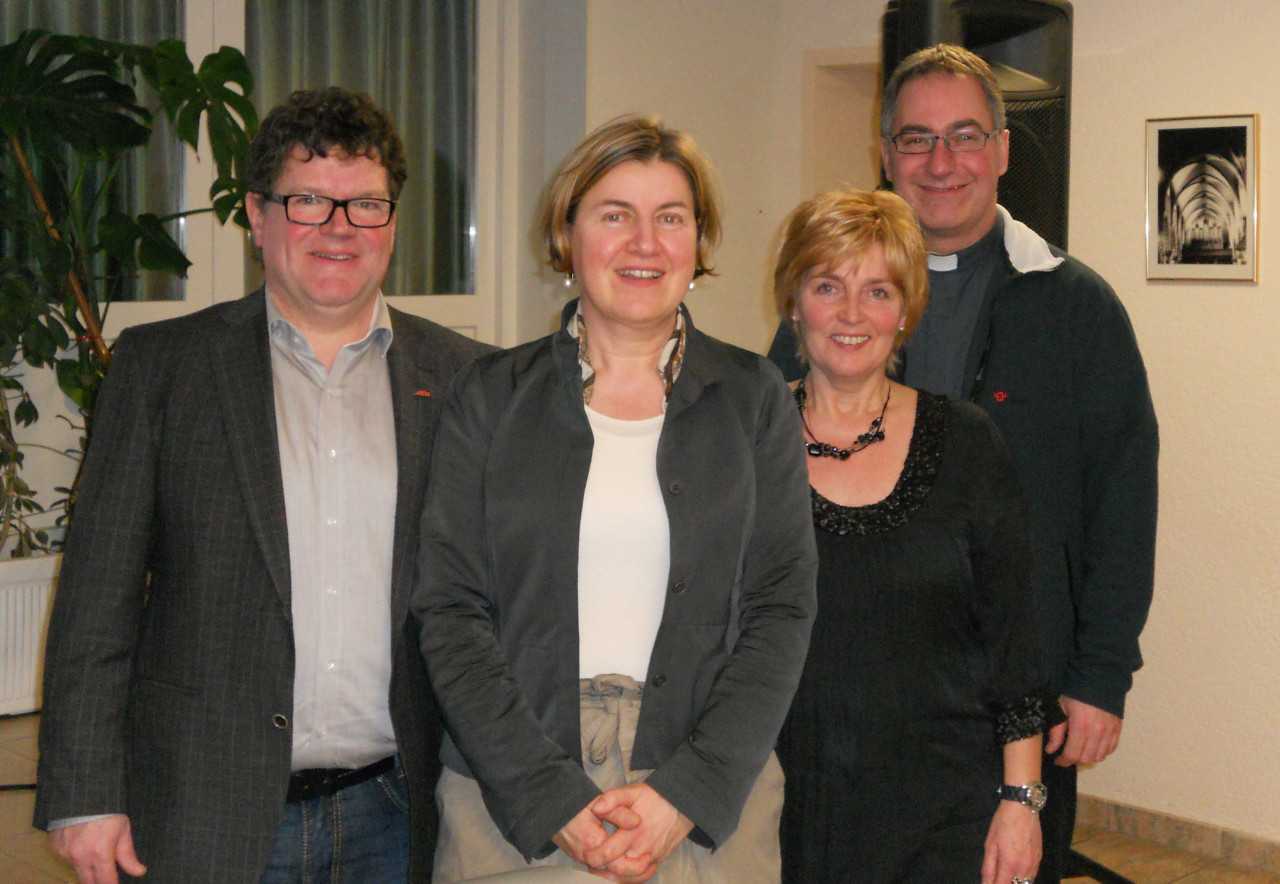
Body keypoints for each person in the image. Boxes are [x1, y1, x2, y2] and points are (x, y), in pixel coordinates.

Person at [34, 87, 492, 883]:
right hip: (205, 808)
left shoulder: (463, 379)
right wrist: (83, 794)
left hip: (399, 809)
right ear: (256, 211)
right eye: (309, 200)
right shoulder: (161, 371)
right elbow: (94, 602)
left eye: (366, 204)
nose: (340, 228)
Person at [767, 45, 1159, 883]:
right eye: (916, 139)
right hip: (838, 709)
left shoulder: (1074, 307)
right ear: (884, 153)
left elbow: (1123, 500)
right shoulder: (824, 318)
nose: (941, 163)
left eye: (966, 136)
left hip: (1017, 699)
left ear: (1005, 150)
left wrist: (1101, 675)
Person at [412, 114, 818, 883]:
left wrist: (686, 791)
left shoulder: (755, 399)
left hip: (708, 802)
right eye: (614, 215)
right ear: (568, 238)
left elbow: (782, 608)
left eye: (671, 218)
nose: (644, 242)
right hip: (513, 801)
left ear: (699, 245)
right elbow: (449, 609)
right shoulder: (489, 399)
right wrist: (547, 796)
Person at [770, 187, 1048, 884]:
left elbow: (1014, 639)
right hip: (783, 806)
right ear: (794, 302)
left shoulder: (967, 443)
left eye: (879, 291)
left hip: (948, 811)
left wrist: (1021, 799)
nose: (852, 314)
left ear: (906, 312)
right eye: (828, 285)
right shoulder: (746, 441)